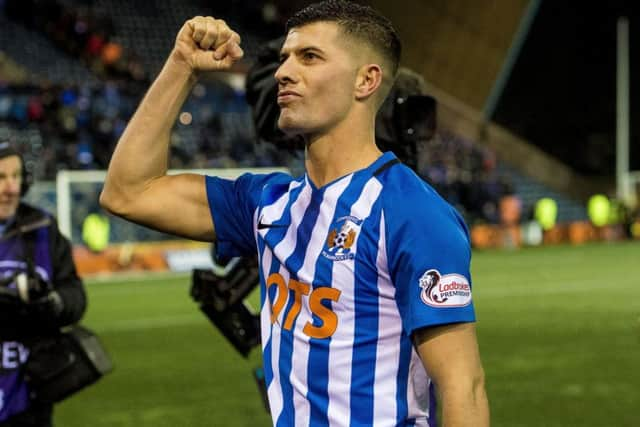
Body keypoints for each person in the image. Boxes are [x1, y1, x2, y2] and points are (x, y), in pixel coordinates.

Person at [100, 1, 490, 425]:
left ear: (366, 80)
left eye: (309, 57)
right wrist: (181, 66)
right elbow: (129, 192)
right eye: (285, 58)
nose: (284, 72)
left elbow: (462, 388)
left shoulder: (414, 215)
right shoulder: (268, 202)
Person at [0, 142, 87, 427]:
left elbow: (75, 294)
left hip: (30, 396)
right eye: (1, 178)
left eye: (16, 177)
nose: (11, 188)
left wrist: (54, 303)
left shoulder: (42, 228)